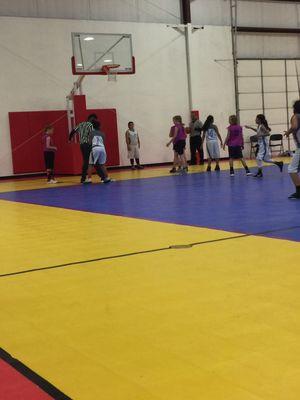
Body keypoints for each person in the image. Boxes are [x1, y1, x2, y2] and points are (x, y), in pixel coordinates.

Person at [69, 114, 98, 183]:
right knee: (89, 161)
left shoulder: (80, 124)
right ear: (91, 119)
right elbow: (92, 135)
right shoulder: (90, 125)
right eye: (94, 119)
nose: (94, 121)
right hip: (88, 144)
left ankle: (83, 178)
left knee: (85, 161)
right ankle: (85, 178)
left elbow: (73, 131)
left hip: (82, 145)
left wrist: (69, 139)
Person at [284, 100, 300, 199]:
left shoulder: (296, 116)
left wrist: (288, 132)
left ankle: (299, 192)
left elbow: (294, 126)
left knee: (292, 169)